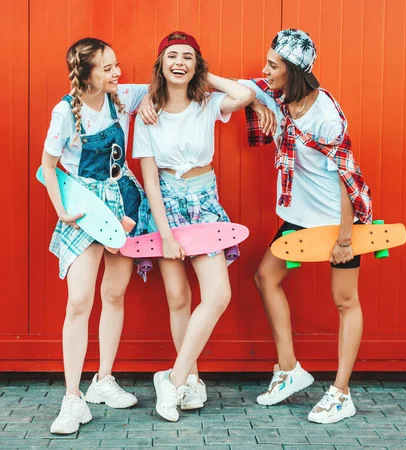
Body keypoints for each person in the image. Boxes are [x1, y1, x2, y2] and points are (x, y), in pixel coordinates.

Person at [240, 29, 373, 424]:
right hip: (299, 219)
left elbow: (347, 180)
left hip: (337, 221)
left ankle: (341, 393)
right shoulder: (280, 98)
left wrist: (346, 239)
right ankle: (290, 370)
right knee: (265, 277)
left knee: (344, 301)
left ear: (294, 71)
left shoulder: (326, 117)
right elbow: (232, 86)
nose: (265, 70)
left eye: (273, 65)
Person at [132, 31, 255, 422]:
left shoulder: (207, 104)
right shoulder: (147, 114)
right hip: (165, 203)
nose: (179, 62)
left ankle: (172, 378)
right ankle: (191, 381)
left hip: (204, 203)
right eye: (172, 56)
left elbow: (245, 95)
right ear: (161, 64)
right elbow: (149, 178)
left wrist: (206, 75)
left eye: (188, 57)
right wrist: (165, 233)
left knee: (217, 293)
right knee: (178, 297)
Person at [41, 37, 151, 434]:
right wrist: (62, 212)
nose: (117, 73)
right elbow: (47, 166)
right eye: (107, 68)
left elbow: (175, 84)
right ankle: (73, 399)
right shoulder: (65, 113)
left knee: (115, 294)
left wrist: (259, 94)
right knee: (79, 300)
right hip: (85, 209)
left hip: (123, 201)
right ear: (85, 73)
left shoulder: (120, 97)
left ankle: (103, 381)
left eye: (116, 65)